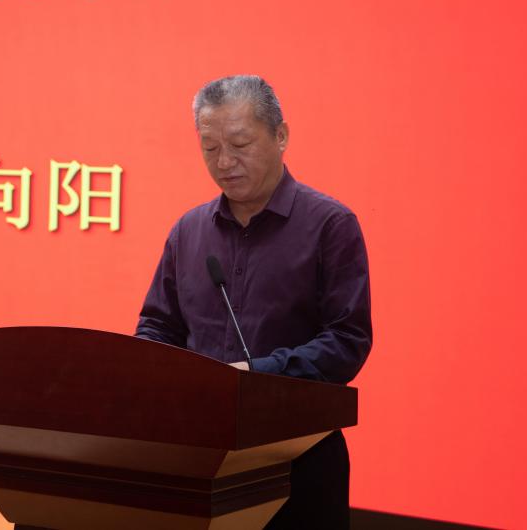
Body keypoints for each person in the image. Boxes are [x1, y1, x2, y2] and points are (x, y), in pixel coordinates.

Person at [135, 74, 372, 529]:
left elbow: (347, 341)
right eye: (210, 148)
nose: (224, 162)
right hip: (199, 456)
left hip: (297, 457)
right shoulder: (188, 231)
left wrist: (255, 375)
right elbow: (158, 327)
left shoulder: (330, 225)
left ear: (280, 135)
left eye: (240, 144)